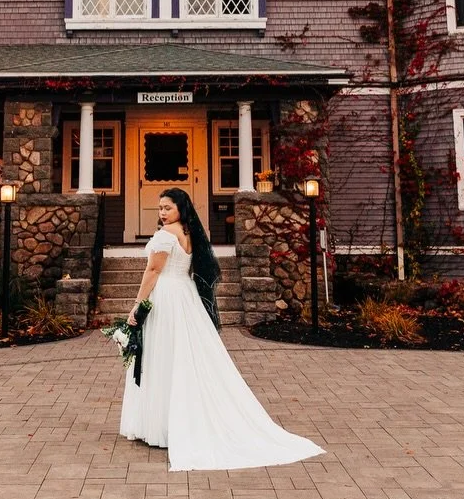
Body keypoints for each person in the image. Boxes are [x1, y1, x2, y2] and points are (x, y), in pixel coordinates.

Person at [117, 187, 324, 471]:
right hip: (185, 295)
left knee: (164, 355)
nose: (163, 212)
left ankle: (164, 425)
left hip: (167, 296)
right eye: (160, 208)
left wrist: (137, 305)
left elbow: (153, 271)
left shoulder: (166, 236)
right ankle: (171, 420)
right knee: (182, 356)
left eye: (168, 208)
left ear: (181, 208)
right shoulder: (189, 233)